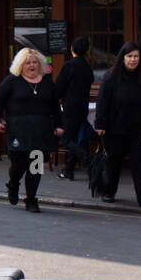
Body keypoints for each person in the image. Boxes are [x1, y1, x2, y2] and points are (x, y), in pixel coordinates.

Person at [0, 47, 63, 213]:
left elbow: (54, 106)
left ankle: (31, 200)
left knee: (36, 166)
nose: (32, 65)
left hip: (41, 130)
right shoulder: (12, 80)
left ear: (40, 64)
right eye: (28, 62)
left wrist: (59, 125)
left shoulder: (46, 81)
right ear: (20, 65)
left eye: (35, 62)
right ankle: (13, 183)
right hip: (18, 129)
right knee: (18, 163)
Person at [95, 41, 141, 209]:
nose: (133, 60)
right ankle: (108, 192)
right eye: (130, 56)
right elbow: (102, 101)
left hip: (139, 128)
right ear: (122, 58)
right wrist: (100, 123)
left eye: (136, 56)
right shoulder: (111, 76)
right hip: (115, 127)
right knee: (113, 162)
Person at [53, 37, 95, 179]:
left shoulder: (69, 65)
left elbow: (59, 88)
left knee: (66, 139)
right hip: (83, 107)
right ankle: (68, 170)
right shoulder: (87, 67)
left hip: (70, 107)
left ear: (72, 49)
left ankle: (88, 159)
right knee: (74, 138)